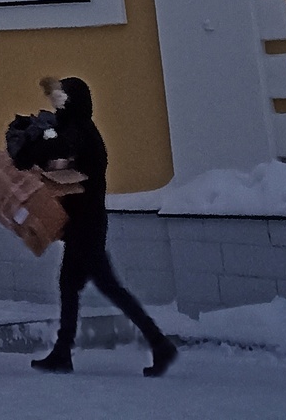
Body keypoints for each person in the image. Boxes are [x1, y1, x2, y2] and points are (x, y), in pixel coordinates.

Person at [25, 75, 177, 378]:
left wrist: (35, 150)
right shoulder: (76, 130)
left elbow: (61, 164)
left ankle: (159, 343)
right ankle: (62, 352)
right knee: (70, 285)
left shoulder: (80, 133)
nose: (57, 103)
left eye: (62, 98)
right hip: (81, 223)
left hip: (87, 225)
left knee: (108, 286)